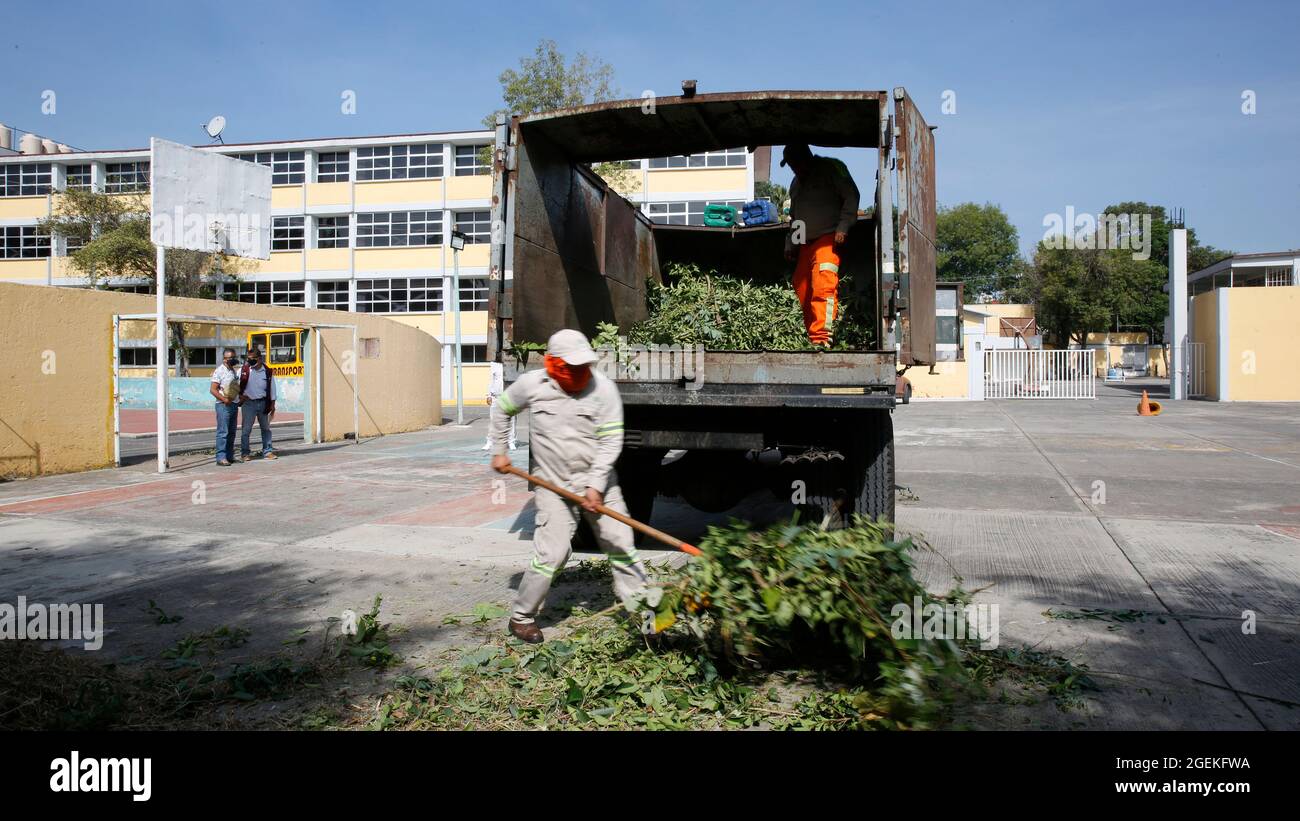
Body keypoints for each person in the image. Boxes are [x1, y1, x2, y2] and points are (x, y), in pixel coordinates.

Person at [489, 329, 650, 644]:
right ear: (552, 363)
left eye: (584, 366)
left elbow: (611, 440)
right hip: (552, 484)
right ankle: (521, 617)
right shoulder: (532, 385)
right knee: (553, 554)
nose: (580, 373)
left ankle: (649, 618)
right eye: (572, 367)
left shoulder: (603, 389)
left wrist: (595, 485)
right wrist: (499, 450)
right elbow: (502, 408)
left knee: (621, 543)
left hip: (600, 482)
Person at [781, 143, 860, 346]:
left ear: (805, 158)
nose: (793, 169)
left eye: (794, 164)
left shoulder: (833, 167)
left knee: (823, 284)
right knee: (802, 286)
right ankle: (811, 337)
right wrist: (793, 243)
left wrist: (843, 226)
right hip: (806, 243)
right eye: (790, 166)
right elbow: (795, 216)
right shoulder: (795, 183)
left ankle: (822, 338)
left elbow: (851, 196)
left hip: (828, 238)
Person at [238, 344, 278, 461]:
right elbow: (235, 386)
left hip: (263, 403)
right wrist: (239, 396)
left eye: (252, 359)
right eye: (248, 359)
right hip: (248, 404)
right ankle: (245, 453)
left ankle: (267, 451)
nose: (250, 361)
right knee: (246, 430)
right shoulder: (243, 370)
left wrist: (272, 405)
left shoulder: (267, 371)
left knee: (266, 428)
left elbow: (272, 388)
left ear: (259, 359)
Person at [209, 348, 241, 466]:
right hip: (223, 405)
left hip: (234, 404)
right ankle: (221, 457)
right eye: (230, 358)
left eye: (234, 357)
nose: (233, 359)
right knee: (223, 432)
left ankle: (229, 456)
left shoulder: (233, 371)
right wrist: (224, 400)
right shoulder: (219, 371)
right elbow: (212, 389)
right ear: (224, 359)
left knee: (232, 432)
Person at [482, 361, 517, 451]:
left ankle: (511, 441)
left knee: (511, 420)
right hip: (496, 396)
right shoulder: (494, 364)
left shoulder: (513, 362)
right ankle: (490, 441)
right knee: (493, 420)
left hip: (509, 396)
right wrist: (489, 395)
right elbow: (491, 380)